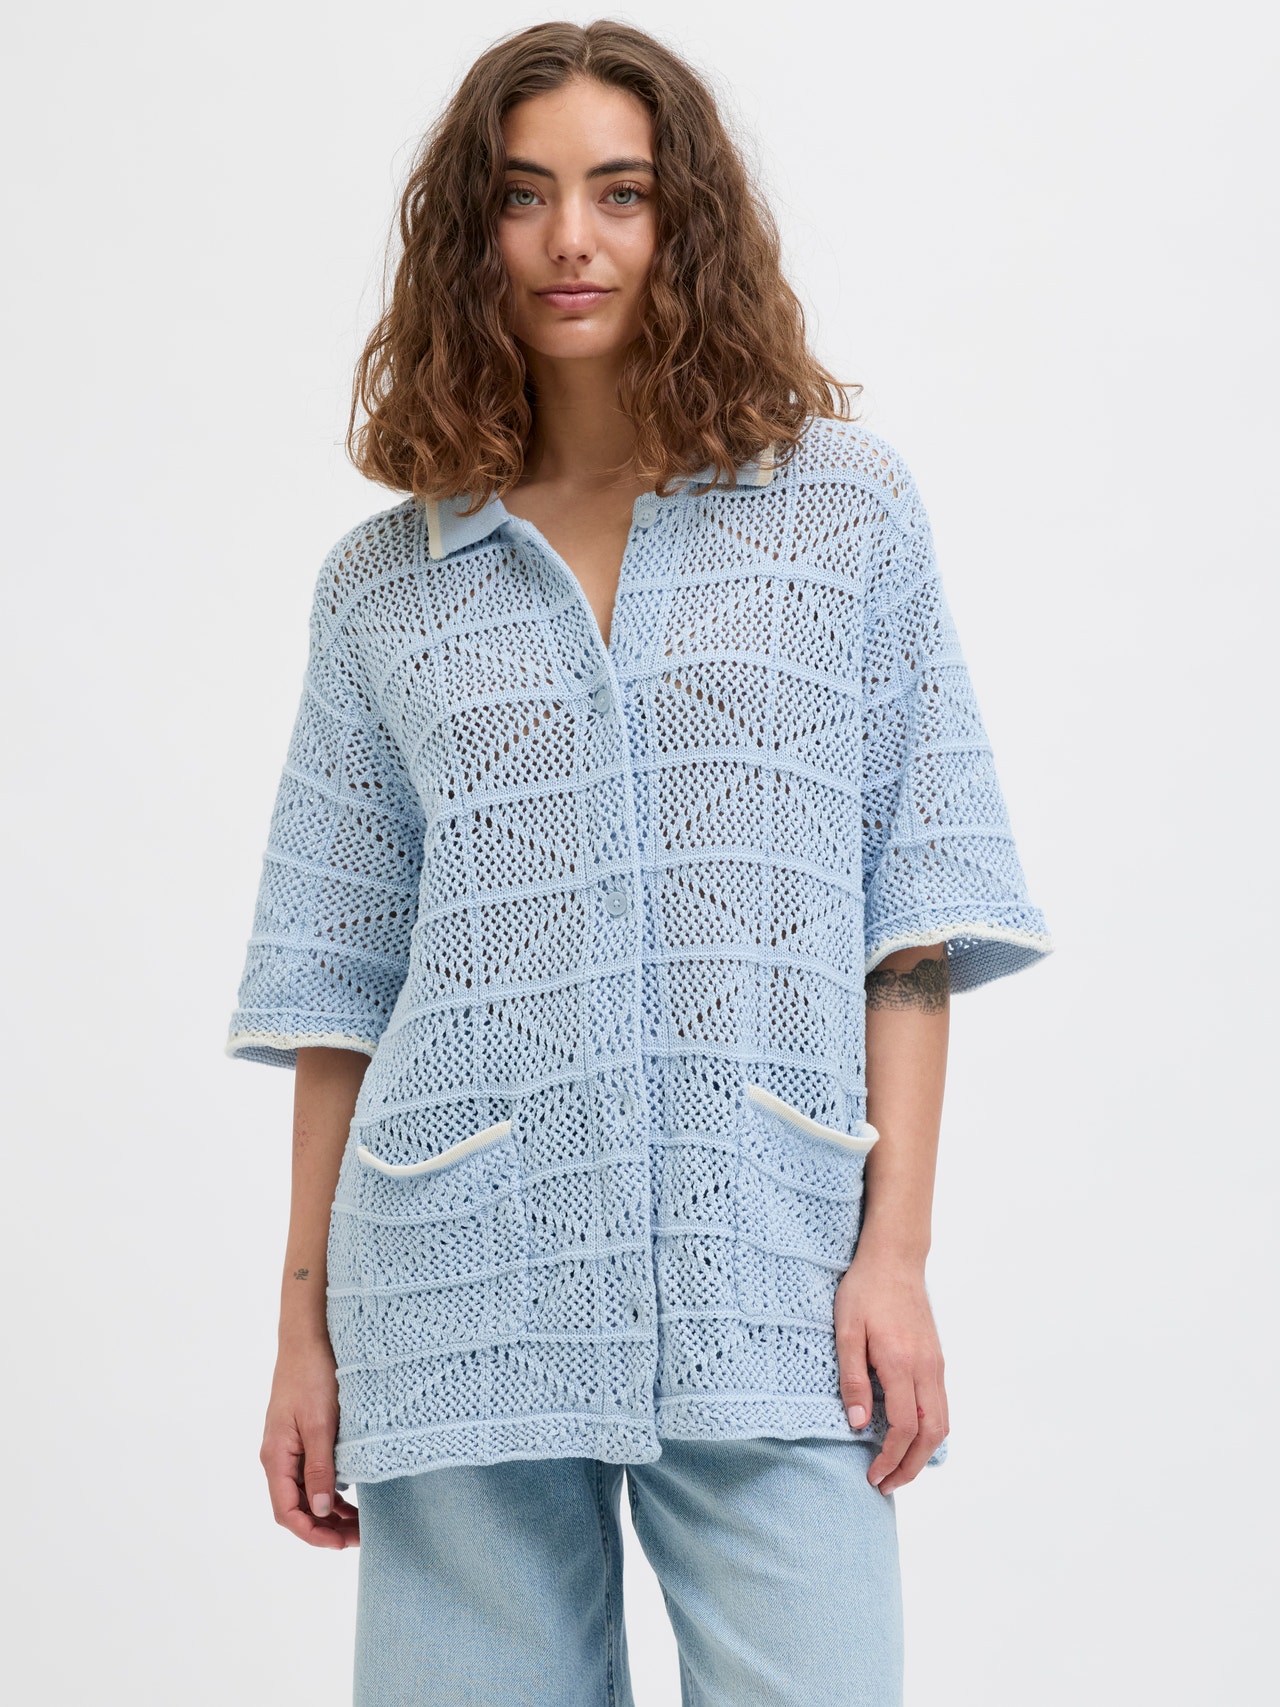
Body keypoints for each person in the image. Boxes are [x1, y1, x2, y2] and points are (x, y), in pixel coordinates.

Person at [223, 18, 1053, 1705]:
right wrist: (302, 1327)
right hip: (456, 1272)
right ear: (470, 235)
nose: (572, 240)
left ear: (688, 221)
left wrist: (894, 1257)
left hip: (769, 1256)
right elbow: (340, 985)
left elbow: (910, 918)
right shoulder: (385, 583)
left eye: (620, 192)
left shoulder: (839, 515)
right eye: (522, 197)